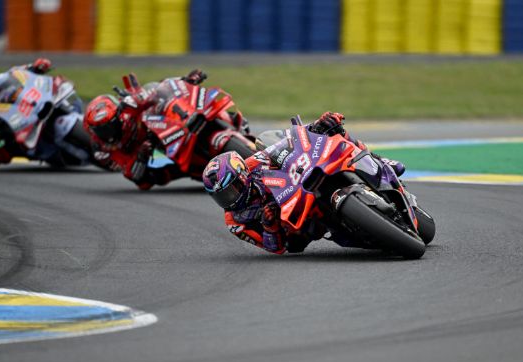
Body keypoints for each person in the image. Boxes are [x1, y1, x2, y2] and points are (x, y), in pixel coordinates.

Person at [202, 111, 405, 254]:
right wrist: (271, 226)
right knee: (313, 241)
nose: (230, 199)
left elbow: (285, 144)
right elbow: (275, 248)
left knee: (335, 133)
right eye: (221, 197)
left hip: (297, 187)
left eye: (231, 190)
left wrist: (315, 127)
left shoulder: (253, 163)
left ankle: (379, 161)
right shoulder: (235, 222)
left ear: (242, 175)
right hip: (296, 230)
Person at [84, 69, 219, 190]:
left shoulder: (127, 110)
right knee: (154, 176)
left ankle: (231, 121)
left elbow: (159, 90)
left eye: (109, 125)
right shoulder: (103, 149)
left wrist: (185, 81)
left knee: (174, 102)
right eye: (102, 130)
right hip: (154, 154)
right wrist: (141, 156)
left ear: (117, 116)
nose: (108, 132)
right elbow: (131, 174)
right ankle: (202, 170)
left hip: (162, 125)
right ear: (93, 130)